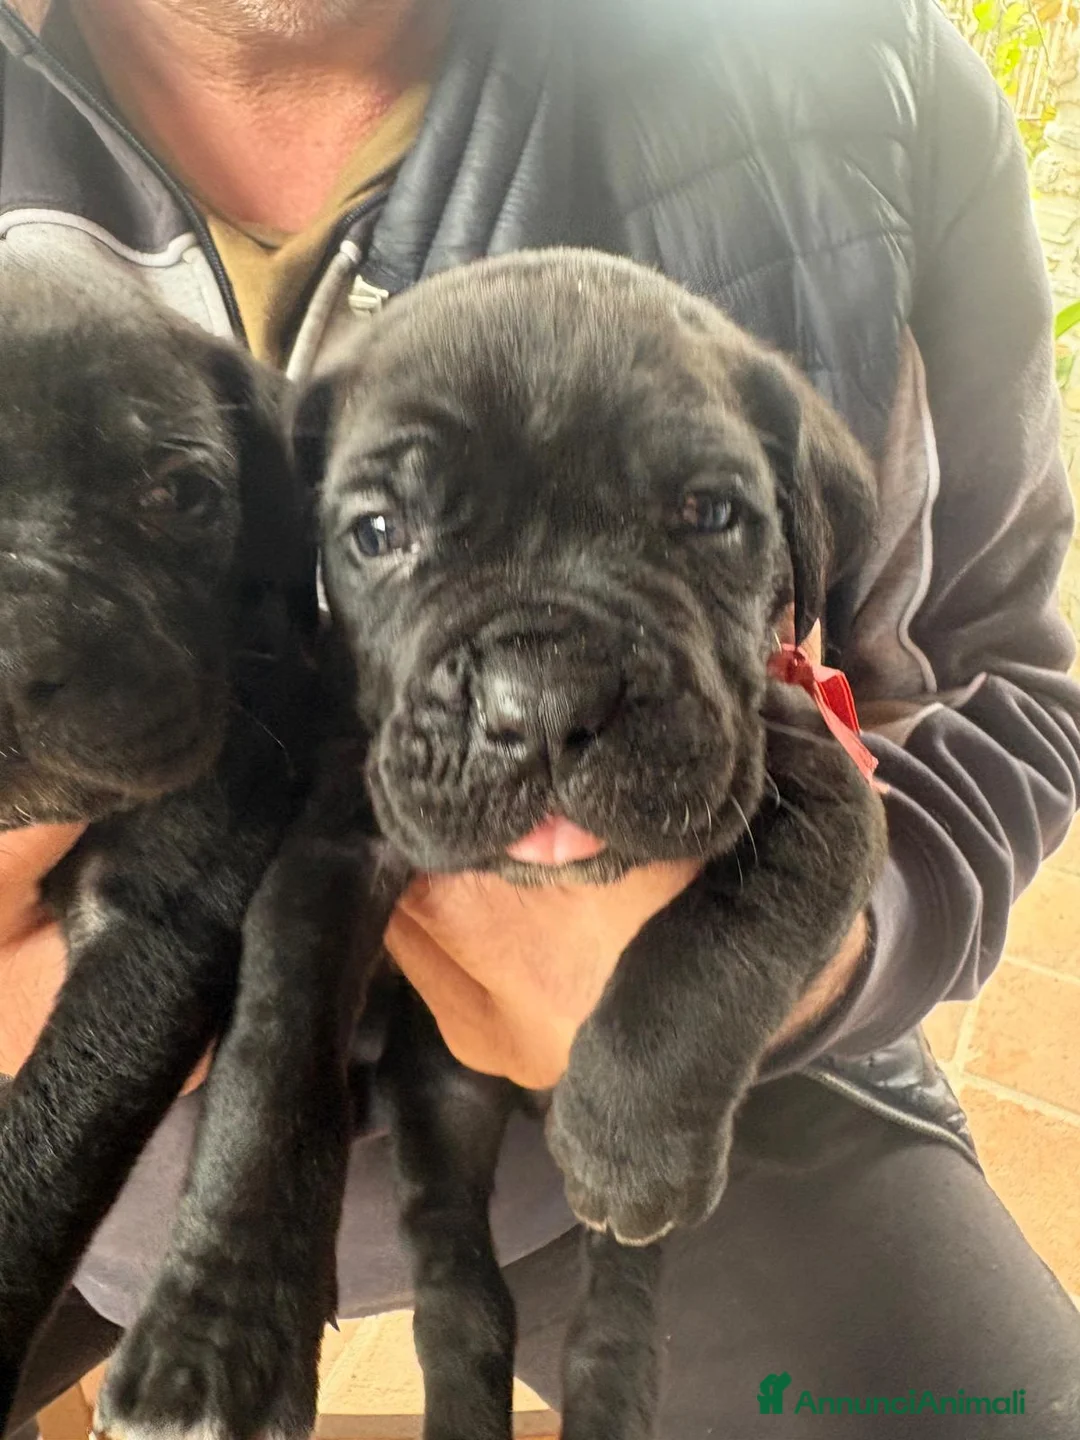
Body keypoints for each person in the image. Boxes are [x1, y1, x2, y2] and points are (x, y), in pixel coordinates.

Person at [2, 0, 1079, 1433]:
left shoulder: (847, 68)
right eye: (382, 528)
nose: (538, 694)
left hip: (718, 1071)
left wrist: (793, 969)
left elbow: (1014, 676)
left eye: (703, 514)